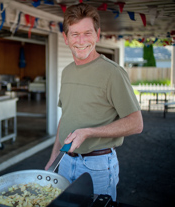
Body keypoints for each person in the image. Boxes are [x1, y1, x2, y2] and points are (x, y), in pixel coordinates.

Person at [45, 3, 143, 201]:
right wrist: (54, 157)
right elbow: (66, 116)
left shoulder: (113, 73)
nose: (81, 41)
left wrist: (89, 132)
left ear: (97, 35)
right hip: (64, 161)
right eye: (75, 34)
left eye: (87, 33)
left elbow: (136, 123)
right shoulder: (67, 72)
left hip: (97, 165)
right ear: (65, 38)